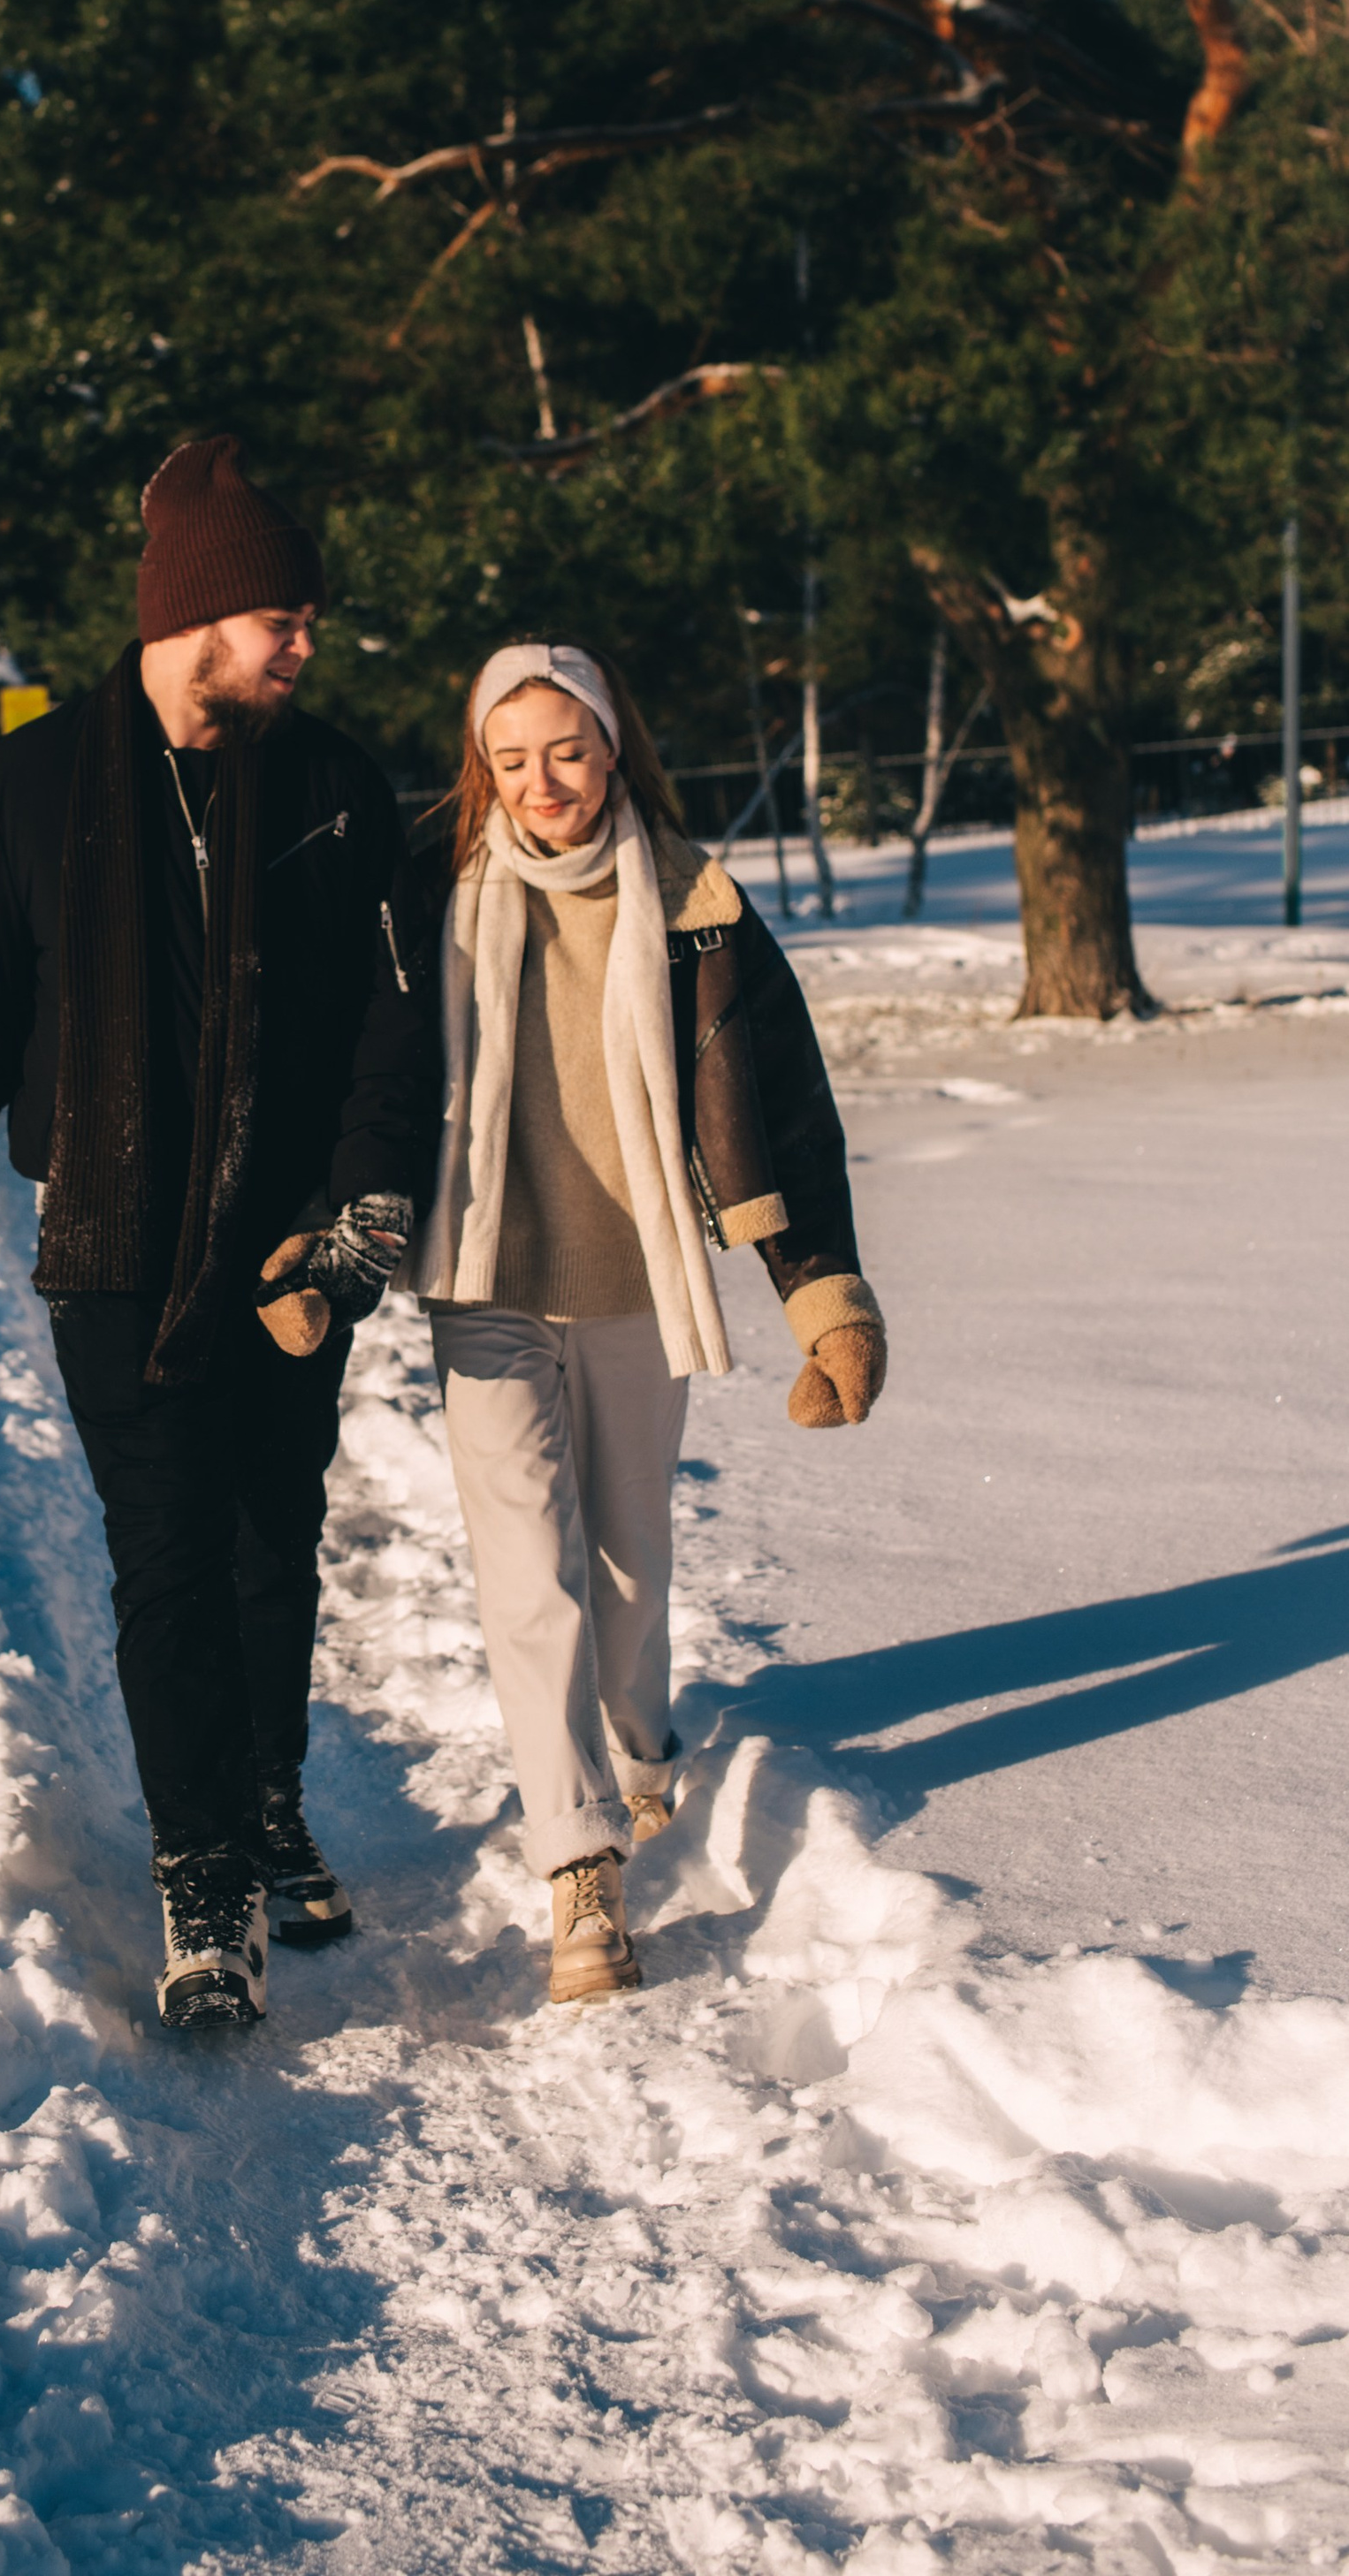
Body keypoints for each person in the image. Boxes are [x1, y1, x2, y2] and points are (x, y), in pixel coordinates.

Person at [0, 437, 439, 2032]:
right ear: (196, 616)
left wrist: (366, 1202)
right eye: (284, 621)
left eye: (309, 622)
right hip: (113, 1239)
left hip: (288, 1243)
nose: (307, 646)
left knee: (272, 1534)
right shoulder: (27, 788)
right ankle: (202, 1874)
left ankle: (268, 1805)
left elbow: (395, 1026)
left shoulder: (331, 787)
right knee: (168, 1550)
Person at [409, 639, 885, 2009]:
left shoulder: (697, 906)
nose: (542, 782)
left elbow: (783, 1108)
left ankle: (640, 1754)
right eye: (511, 759)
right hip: (485, 1279)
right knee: (528, 1576)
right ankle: (580, 1870)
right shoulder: (433, 897)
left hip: (636, 1277)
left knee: (628, 1563)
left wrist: (824, 1295)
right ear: (481, 769)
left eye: (567, 751)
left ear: (615, 749)